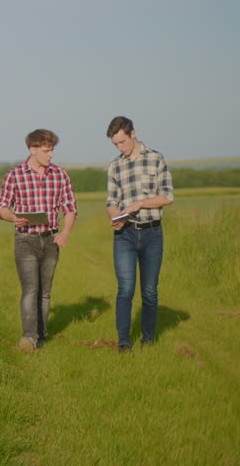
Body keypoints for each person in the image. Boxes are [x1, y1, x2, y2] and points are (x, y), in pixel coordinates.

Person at [0, 129, 78, 352]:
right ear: (33, 150)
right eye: (46, 150)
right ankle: (29, 336)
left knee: (45, 292)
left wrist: (66, 232)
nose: (50, 155)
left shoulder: (60, 175)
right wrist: (12, 217)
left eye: (52, 150)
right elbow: (1, 206)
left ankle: (41, 335)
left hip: (51, 239)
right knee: (30, 289)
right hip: (26, 240)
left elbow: (70, 208)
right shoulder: (14, 175)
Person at [105, 116, 174, 353]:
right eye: (115, 144)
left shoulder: (156, 159)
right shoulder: (115, 166)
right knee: (125, 289)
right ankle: (123, 342)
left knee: (149, 291)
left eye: (122, 142)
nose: (119, 148)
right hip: (124, 235)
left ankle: (148, 339)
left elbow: (167, 196)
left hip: (152, 233)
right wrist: (115, 216)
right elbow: (111, 201)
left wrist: (140, 204)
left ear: (133, 134)